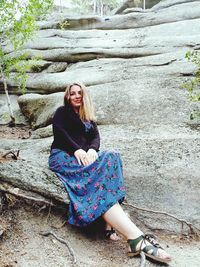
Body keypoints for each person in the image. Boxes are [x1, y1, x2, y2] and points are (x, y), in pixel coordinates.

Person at [48, 82, 172, 264]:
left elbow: (96, 137)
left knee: (112, 156)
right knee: (95, 181)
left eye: (79, 93)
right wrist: (76, 150)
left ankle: (112, 226)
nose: (76, 96)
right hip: (64, 156)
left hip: (85, 157)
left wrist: (91, 150)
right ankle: (136, 239)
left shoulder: (87, 117)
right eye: (72, 93)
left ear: (84, 95)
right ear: (67, 96)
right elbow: (59, 133)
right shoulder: (62, 112)